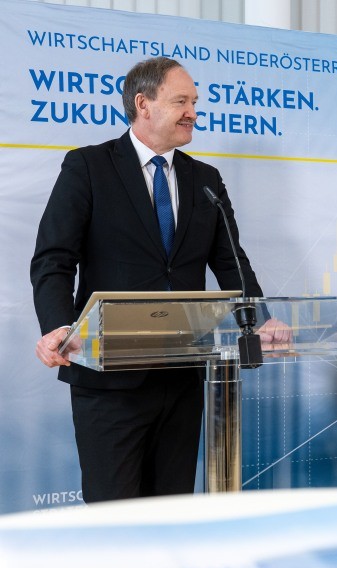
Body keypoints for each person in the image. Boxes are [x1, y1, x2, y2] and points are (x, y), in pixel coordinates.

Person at [30, 57, 289, 503]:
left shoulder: (204, 179)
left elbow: (231, 260)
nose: (193, 111)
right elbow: (54, 259)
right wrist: (58, 326)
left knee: (171, 509)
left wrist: (258, 318)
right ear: (143, 104)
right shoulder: (89, 167)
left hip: (182, 375)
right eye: (181, 101)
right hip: (109, 377)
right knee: (115, 512)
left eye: (194, 102)